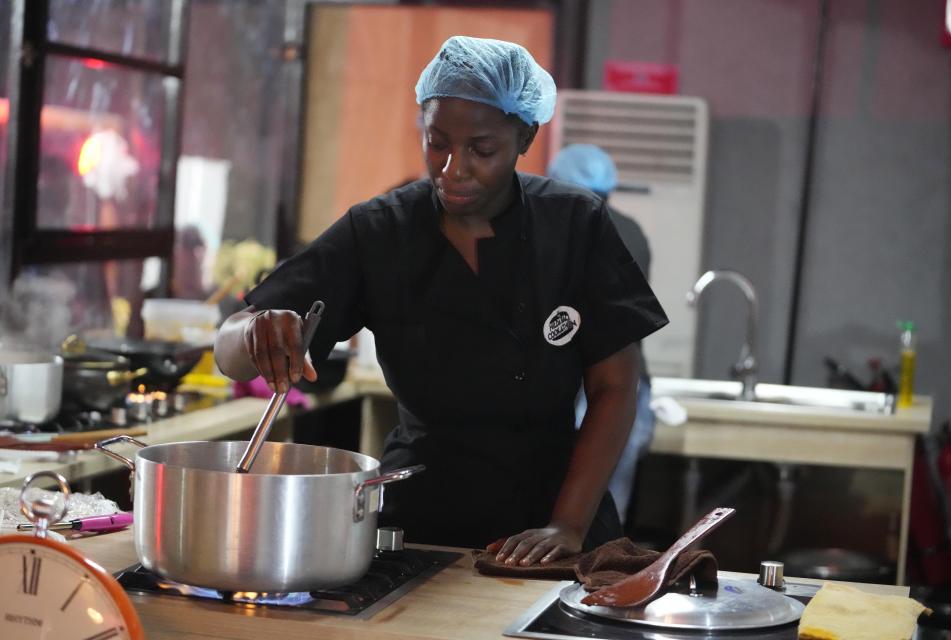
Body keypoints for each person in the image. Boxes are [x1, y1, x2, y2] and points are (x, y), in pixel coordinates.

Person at [214, 36, 667, 566]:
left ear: (525, 136)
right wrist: (253, 332)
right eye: (437, 143)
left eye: (481, 149)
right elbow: (229, 350)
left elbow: (615, 388)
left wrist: (566, 525)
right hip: (420, 517)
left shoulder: (574, 224)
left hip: (555, 513)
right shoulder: (379, 231)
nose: (453, 168)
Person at [547, 143, 655, 526]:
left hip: (586, 388)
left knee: (567, 512)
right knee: (607, 510)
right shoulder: (632, 232)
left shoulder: (564, 231)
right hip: (629, 391)